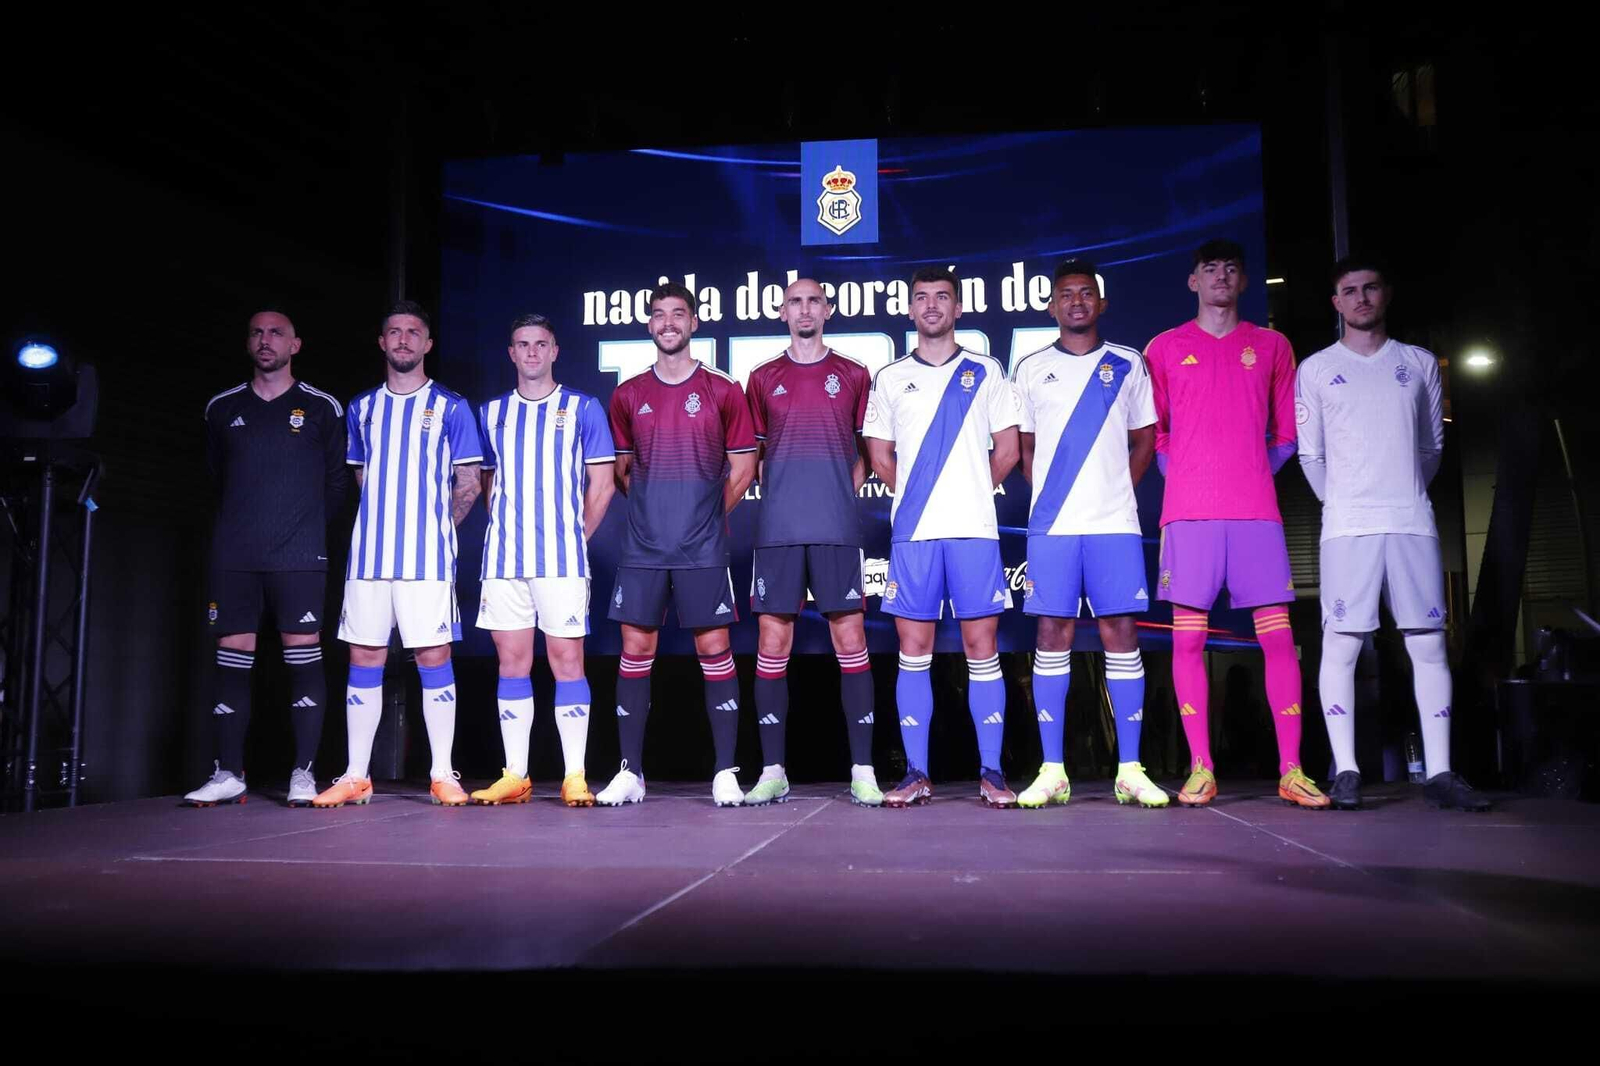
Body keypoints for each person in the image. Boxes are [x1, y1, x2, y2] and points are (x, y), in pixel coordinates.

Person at [1298, 257, 1488, 811]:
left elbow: (1431, 447)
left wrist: (1401, 492)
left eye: (1370, 288)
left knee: (1428, 644)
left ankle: (1442, 771)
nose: (1360, 298)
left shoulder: (1421, 363)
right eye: (1349, 291)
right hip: (1347, 529)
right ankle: (1348, 771)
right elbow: (1312, 457)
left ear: (1386, 295)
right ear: (1336, 302)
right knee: (1341, 644)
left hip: (1411, 520)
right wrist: (1347, 502)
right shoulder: (1315, 369)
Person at [1145, 239, 1329, 809]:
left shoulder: (1272, 345)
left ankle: (1292, 769)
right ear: (1193, 281)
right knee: (1188, 641)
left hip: (1255, 514)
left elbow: (1286, 435)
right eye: (1210, 269)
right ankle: (1201, 767)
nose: (1221, 277)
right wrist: (1192, 477)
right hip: (1189, 516)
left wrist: (1247, 473)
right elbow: (1156, 431)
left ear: (1244, 282)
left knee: (1278, 641)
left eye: (1231, 269)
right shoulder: (1165, 347)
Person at [312, 301, 483, 808]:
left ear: (428, 344)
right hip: (368, 560)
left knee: (434, 657)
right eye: (394, 332)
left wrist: (431, 529)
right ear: (382, 343)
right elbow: (361, 477)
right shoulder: (362, 407)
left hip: (426, 561)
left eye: (413, 332)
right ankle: (355, 774)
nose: (404, 340)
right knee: (364, 656)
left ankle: (442, 773)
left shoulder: (452, 406)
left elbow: (469, 483)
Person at [1010, 260, 1167, 809]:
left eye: (1086, 294)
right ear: (1052, 307)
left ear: (1101, 303)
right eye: (1066, 295)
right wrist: (1052, 496)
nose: (1076, 302)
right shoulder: (1029, 369)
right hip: (1051, 526)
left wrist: (1115, 491)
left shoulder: (1128, 364)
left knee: (1120, 631)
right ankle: (1052, 769)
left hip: (1114, 524)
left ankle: (1129, 768)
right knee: (1052, 633)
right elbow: (1024, 448)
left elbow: (1146, 439)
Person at [864, 266, 1022, 808]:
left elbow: (1007, 449)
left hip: (974, 532)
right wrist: (920, 494)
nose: (932, 306)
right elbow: (879, 454)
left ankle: (993, 772)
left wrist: (972, 489)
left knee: (983, 650)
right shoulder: (889, 378)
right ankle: (915, 773)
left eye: (942, 298)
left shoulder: (987, 371)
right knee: (913, 651)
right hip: (914, 535)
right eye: (922, 298)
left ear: (957, 308)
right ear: (909, 310)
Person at [596, 283, 757, 807]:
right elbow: (621, 470)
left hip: (703, 549)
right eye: (660, 315)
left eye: (678, 314)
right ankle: (630, 773)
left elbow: (745, 466)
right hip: (643, 549)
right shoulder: (628, 394)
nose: (669, 323)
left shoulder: (722, 390)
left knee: (715, 650)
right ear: (649, 325)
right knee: (634, 651)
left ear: (694, 322)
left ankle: (726, 771)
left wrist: (705, 515)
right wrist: (649, 510)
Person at [185, 309, 346, 807]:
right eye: (256, 331)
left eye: (276, 332)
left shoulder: (321, 407)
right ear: (247, 342)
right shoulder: (221, 407)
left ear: (295, 344)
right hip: (236, 555)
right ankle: (229, 772)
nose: (265, 339)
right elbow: (217, 476)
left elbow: (337, 483)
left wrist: (307, 533)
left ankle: (304, 773)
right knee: (232, 659)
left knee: (303, 656)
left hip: (299, 555)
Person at [743, 279, 881, 807]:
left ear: (828, 309)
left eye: (813, 301)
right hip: (777, 531)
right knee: (772, 645)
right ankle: (773, 770)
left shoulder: (853, 374)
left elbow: (869, 450)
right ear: (782, 312)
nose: (804, 309)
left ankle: (864, 770)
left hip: (835, 530)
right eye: (794, 301)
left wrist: (834, 492)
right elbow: (748, 457)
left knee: (851, 642)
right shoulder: (761, 378)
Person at [469, 314, 616, 807]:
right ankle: (517, 775)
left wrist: (573, 538)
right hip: (504, 563)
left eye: (540, 344)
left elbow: (603, 485)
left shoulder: (583, 408)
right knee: (511, 664)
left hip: (561, 562)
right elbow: (486, 484)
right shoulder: (490, 413)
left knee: (567, 662)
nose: (531, 352)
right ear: (511, 353)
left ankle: (575, 774)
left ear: (555, 351)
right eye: (522, 344)